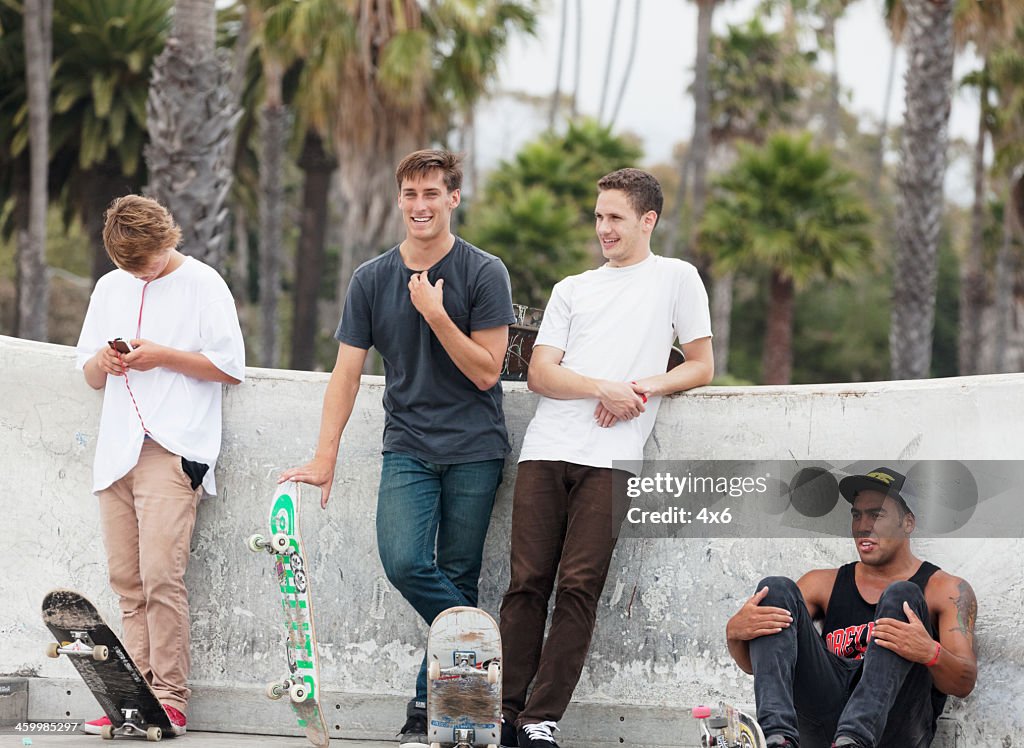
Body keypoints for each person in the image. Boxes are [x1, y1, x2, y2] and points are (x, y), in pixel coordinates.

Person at [279, 149, 515, 747]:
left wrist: (436, 314)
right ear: (400, 200)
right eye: (410, 194)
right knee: (406, 561)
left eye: (432, 193)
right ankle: (478, 639)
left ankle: (426, 716)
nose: (420, 206)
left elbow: (488, 372)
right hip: (407, 445)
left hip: (475, 448)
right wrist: (325, 451)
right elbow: (346, 373)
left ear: (453, 199)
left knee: (458, 576)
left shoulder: (485, 272)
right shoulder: (371, 278)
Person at [498, 168, 715, 748]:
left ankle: (539, 720)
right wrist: (604, 388)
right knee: (526, 584)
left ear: (648, 220)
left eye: (615, 216)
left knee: (579, 585)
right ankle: (505, 713)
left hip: (614, 456)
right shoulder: (573, 288)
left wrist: (638, 389)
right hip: (546, 449)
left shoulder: (676, 278)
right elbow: (541, 374)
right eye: (598, 216)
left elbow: (700, 364)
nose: (604, 228)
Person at [75, 195, 246, 735]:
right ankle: (132, 696)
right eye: (130, 265)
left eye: (147, 260)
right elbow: (88, 373)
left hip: (174, 449)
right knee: (126, 579)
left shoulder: (204, 283)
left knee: (160, 577)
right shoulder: (110, 286)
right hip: (117, 448)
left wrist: (161, 355)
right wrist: (104, 361)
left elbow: (230, 367)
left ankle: (170, 697)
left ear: (167, 239)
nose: (141, 272)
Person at [726, 467, 979, 748]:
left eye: (876, 514)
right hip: (825, 724)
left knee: (902, 595)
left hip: (894, 729)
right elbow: (764, 665)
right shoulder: (821, 584)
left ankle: (855, 740)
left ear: (908, 522)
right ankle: (777, 739)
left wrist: (929, 652)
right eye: (857, 515)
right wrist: (735, 634)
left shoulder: (946, 590)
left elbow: (964, 682)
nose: (862, 526)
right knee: (775, 589)